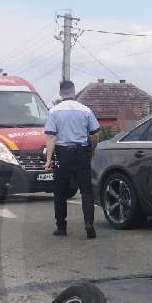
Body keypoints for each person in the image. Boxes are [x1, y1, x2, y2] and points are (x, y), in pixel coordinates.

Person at [43, 80, 100, 238]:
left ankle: (61, 227)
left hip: (63, 156)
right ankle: (88, 223)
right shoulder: (85, 110)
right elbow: (95, 134)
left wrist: (48, 159)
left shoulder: (54, 111)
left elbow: (51, 136)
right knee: (86, 191)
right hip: (81, 154)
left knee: (60, 192)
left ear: (61, 93)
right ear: (74, 91)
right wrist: (92, 150)